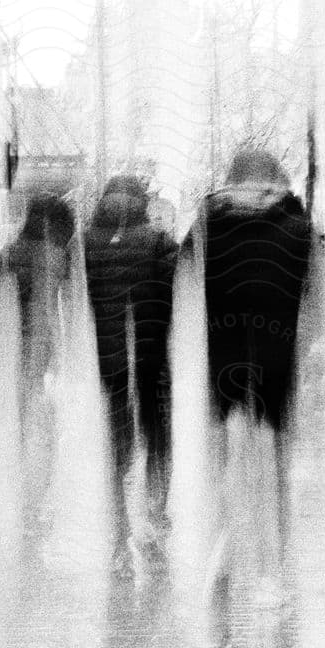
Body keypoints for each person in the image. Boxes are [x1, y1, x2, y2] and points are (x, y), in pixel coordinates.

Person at [187, 149, 316, 607]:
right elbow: (313, 287)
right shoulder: (297, 222)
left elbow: (185, 282)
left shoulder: (208, 222)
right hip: (276, 349)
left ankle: (224, 542)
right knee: (273, 455)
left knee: (225, 449)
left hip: (222, 349)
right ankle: (271, 566)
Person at [84, 175, 178, 578]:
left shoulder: (88, 242)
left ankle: (119, 542)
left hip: (111, 361)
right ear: (141, 203)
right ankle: (155, 517)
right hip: (153, 358)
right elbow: (174, 288)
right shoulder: (157, 241)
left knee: (117, 443)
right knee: (158, 437)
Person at [0, 192, 77, 480]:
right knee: (38, 414)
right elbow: (59, 310)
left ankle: (16, 474)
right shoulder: (57, 259)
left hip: (6, 349)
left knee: (17, 413)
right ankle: (36, 481)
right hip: (40, 350)